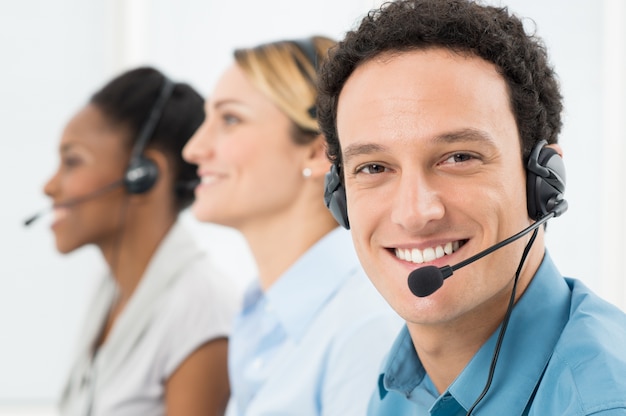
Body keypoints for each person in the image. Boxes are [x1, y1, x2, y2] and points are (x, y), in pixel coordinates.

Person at [316, 0, 626, 414]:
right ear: (340, 196)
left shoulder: (602, 402)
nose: (414, 212)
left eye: (459, 157)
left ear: (543, 182)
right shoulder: (401, 387)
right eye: (374, 167)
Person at [182, 36, 401, 415]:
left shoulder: (365, 327)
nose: (194, 149)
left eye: (230, 119)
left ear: (318, 152)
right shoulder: (261, 314)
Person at [44, 67, 240, 416]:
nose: (49, 186)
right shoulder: (110, 291)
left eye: (72, 161)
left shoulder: (201, 309)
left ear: (143, 175)